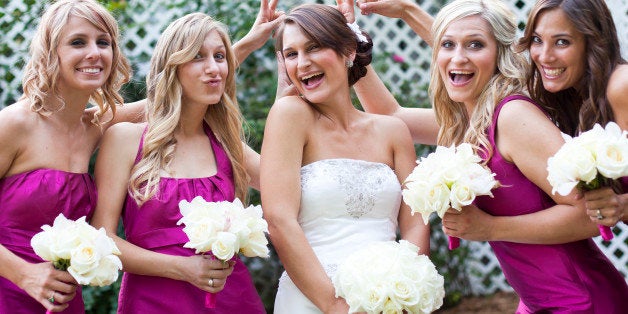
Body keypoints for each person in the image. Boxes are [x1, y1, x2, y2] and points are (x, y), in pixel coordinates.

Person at [355, 0, 628, 312]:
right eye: (447, 45)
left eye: (475, 45)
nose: (459, 57)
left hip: (581, 301)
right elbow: (391, 115)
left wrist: (489, 228)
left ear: (500, 54)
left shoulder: (513, 118)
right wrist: (351, 48)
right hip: (537, 300)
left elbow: (588, 216)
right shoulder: (469, 124)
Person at [88, 10, 281, 313]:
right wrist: (182, 268)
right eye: (197, 57)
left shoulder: (228, 145)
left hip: (230, 301)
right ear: (172, 67)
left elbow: (286, 182)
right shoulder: (126, 139)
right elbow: (102, 238)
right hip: (151, 302)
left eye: (220, 57)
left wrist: (286, 70)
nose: (214, 68)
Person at [260, 4, 429, 313]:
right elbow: (279, 220)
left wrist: (406, 287)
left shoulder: (393, 131)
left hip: (386, 300)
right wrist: (335, 305)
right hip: (314, 299)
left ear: (348, 50)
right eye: (291, 54)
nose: (302, 63)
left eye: (313, 47)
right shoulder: (290, 115)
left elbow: (416, 223)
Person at [0, 0, 132, 312]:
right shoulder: (14, 124)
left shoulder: (95, 126)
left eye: (104, 42)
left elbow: (178, 95)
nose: (95, 53)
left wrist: (242, 47)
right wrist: (24, 275)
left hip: (62, 301)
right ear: (51, 53)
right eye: (77, 42)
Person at [517, 0, 628, 227]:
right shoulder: (569, 94)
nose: (544, 56)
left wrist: (623, 205)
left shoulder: (621, 85)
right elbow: (483, 89)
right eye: (537, 40)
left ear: (593, 43)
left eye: (562, 42)